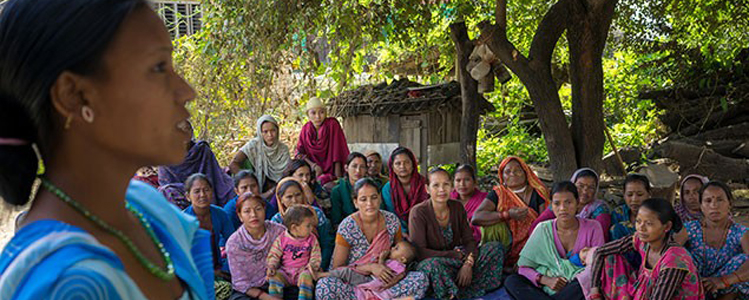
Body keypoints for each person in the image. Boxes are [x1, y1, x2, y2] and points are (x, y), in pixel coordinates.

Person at [0, 1, 213, 298]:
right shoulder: (63, 285)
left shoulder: (149, 209)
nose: (186, 91)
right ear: (74, 96)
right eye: (158, 67)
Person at [315, 178, 429, 299]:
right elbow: (337, 268)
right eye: (363, 199)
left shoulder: (392, 221)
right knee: (325, 286)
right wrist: (371, 267)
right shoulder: (348, 226)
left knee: (421, 279)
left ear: (379, 197)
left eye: (374, 197)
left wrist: (399, 276)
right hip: (354, 283)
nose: (370, 203)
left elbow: (402, 255)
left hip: (385, 283)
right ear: (355, 202)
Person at [410, 168, 505, 299]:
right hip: (435, 263)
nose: (442, 189)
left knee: (495, 248)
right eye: (436, 185)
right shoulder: (419, 212)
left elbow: (469, 240)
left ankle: (460, 288)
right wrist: (455, 255)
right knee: (433, 266)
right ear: (427, 188)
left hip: (457, 262)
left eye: (446, 184)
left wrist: (468, 263)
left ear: (451, 186)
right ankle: (453, 292)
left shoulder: (457, 207)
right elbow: (419, 252)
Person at [505, 181, 605, 300]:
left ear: (577, 203)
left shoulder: (593, 227)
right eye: (557, 203)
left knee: (590, 280)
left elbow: (598, 264)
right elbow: (523, 268)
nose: (562, 208)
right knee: (512, 281)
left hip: (576, 286)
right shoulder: (543, 229)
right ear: (551, 206)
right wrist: (545, 280)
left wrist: (574, 278)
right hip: (547, 287)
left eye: (568, 202)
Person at [589, 198, 703, 300]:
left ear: (667, 227)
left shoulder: (674, 260)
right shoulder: (643, 241)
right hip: (642, 293)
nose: (641, 228)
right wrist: (595, 293)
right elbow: (600, 251)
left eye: (649, 223)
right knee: (611, 257)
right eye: (638, 221)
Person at [472, 156, 550, 268]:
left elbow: (544, 223)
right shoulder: (498, 193)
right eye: (507, 172)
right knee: (492, 226)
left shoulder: (538, 192)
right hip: (506, 244)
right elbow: (477, 218)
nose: (512, 174)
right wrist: (507, 215)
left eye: (517, 170)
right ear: (502, 177)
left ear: (525, 172)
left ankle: (526, 262)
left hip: (533, 243)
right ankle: (502, 264)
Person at [679, 181, 749, 299]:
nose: (714, 205)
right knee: (681, 255)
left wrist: (723, 281)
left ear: (729, 204)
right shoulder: (690, 229)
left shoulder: (741, 232)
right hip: (695, 285)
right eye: (708, 201)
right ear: (701, 205)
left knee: (743, 260)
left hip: (727, 287)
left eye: (720, 200)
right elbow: (668, 252)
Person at [158, 120, 236, 206]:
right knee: (166, 192)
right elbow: (165, 184)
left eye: (187, 129)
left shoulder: (201, 150)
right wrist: (191, 189)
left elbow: (215, 174)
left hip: (206, 186)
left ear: (191, 132)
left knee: (232, 188)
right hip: (182, 193)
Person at [226, 193, 286, 300]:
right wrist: (266, 297)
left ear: (264, 210)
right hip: (249, 290)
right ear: (240, 216)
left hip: (278, 282)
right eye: (247, 211)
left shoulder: (279, 231)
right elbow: (240, 282)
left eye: (258, 209)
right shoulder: (234, 243)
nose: (253, 215)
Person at [312, 240, 417, 300]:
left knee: (346, 272)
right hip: (369, 279)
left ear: (402, 259)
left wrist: (381, 259)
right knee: (344, 275)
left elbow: (382, 273)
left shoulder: (397, 266)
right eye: (394, 246)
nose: (392, 248)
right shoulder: (397, 265)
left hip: (370, 281)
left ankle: (321, 275)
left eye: (396, 248)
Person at [530, 168, 612, 241]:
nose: (584, 191)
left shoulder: (600, 209)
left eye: (591, 187)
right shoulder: (559, 204)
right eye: (580, 186)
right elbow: (536, 228)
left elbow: (601, 236)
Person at [270, 177, 334, 270]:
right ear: (281, 199)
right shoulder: (277, 221)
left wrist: (318, 267)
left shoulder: (315, 214)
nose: (295, 200)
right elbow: (275, 251)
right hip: (286, 271)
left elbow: (326, 244)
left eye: (298, 195)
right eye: (289, 197)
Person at [182, 173, 236, 274]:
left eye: (206, 190)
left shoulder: (220, 214)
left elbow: (234, 243)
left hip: (219, 268)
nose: (202, 195)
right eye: (197, 191)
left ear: (212, 191)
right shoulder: (183, 221)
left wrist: (225, 268)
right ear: (188, 196)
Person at [266, 206, 321, 300]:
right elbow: (274, 254)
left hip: (302, 271)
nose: (311, 228)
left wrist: (312, 266)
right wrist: (272, 265)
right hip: (286, 271)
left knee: (306, 278)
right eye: (308, 226)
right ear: (294, 228)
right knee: (274, 277)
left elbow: (316, 255)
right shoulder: (282, 238)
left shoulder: (312, 239)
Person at [229, 115, 290, 199]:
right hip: (252, 191)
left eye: (273, 130)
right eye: (265, 131)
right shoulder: (253, 145)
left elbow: (286, 174)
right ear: (260, 132)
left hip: (276, 190)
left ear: (278, 130)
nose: (270, 135)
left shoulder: (283, 149)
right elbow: (233, 164)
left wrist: (271, 191)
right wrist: (248, 180)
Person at [295, 97, 350, 188]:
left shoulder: (332, 124)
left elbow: (337, 151)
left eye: (321, 112)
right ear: (308, 114)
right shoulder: (306, 129)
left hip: (332, 171)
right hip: (313, 172)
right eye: (313, 113)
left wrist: (338, 179)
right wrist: (313, 165)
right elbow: (299, 153)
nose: (318, 117)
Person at [381, 147, 429, 237]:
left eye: (406, 162)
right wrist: (402, 232)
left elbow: (429, 211)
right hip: (398, 231)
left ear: (413, 164)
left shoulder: (424, 184)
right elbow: (391, 216)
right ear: (392, 167)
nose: (402, 167)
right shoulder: (387, 189)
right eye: (398, 163)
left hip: (425, 228)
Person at [449, 164, 488, 243]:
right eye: (458, 180)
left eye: (467, 180)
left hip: (478, 242)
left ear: (474, 181)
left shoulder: (485, 199)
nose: (462, 184)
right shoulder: (448, 199)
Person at [330, 152, 369, 227]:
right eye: (354, 166)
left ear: (366, 170)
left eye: (362, 167)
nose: (358, 171)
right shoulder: (338, 191)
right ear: (346, 168)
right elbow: (336, 220)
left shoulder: (371, 187)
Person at [610, 174, 652, 241]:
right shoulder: (618, 213)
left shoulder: (656, 213)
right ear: (624, 194)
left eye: (640, 194)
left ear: (649, 194)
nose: (634, 199)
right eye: (629, 195)